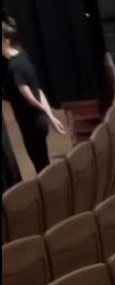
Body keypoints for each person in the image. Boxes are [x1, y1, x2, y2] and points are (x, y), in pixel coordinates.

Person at [2, 19, 65, 175]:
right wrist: (50, 116)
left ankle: (49, 194)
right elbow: (38, 91)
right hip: (39, 121)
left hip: (31, 124)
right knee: (43, 162)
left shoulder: (13, 67)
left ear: (6, 41)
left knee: (40, 165)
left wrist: (49, 116)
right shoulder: (23, 56)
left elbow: (30, 98)